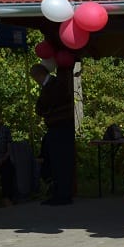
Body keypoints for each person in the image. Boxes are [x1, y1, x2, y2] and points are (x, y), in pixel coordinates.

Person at [30, 63, 75, 206]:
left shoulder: (53, 86)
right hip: (58, 127)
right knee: (53, 159)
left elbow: (42, 106)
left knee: (59, 161)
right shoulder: (53, 85)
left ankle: (62, 194)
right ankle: (59, 192)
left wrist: (42, 109)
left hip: (60, 127)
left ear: (38, 74)